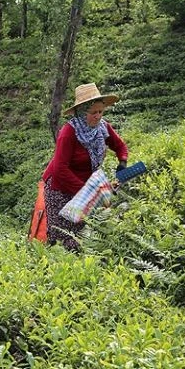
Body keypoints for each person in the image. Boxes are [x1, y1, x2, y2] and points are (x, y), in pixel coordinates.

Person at [42, 83, 128, 251]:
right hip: (59, 189)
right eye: (93, 112)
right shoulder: (68, 133)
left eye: (100, 112)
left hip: (85, 186)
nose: (98, 116)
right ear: (82, 112)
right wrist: (88, 191)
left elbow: (120, 146)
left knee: (84, 233)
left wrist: (122, 163)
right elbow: (60, 170)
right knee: (63, 239)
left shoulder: (102, 127)